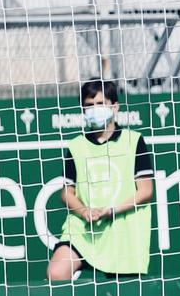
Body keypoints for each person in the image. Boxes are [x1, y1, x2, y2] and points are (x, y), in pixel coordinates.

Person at [47, 80, 155, 281]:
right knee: (56, 273)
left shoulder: (133, 140)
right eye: (89, 105)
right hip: (85, 229)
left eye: (100, 103)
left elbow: (146, 190)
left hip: (122, 231)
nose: (95, 109)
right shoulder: (77, 145)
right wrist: (84, 211)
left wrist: (111, 210)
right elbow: (67, 193)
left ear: (115, 106)